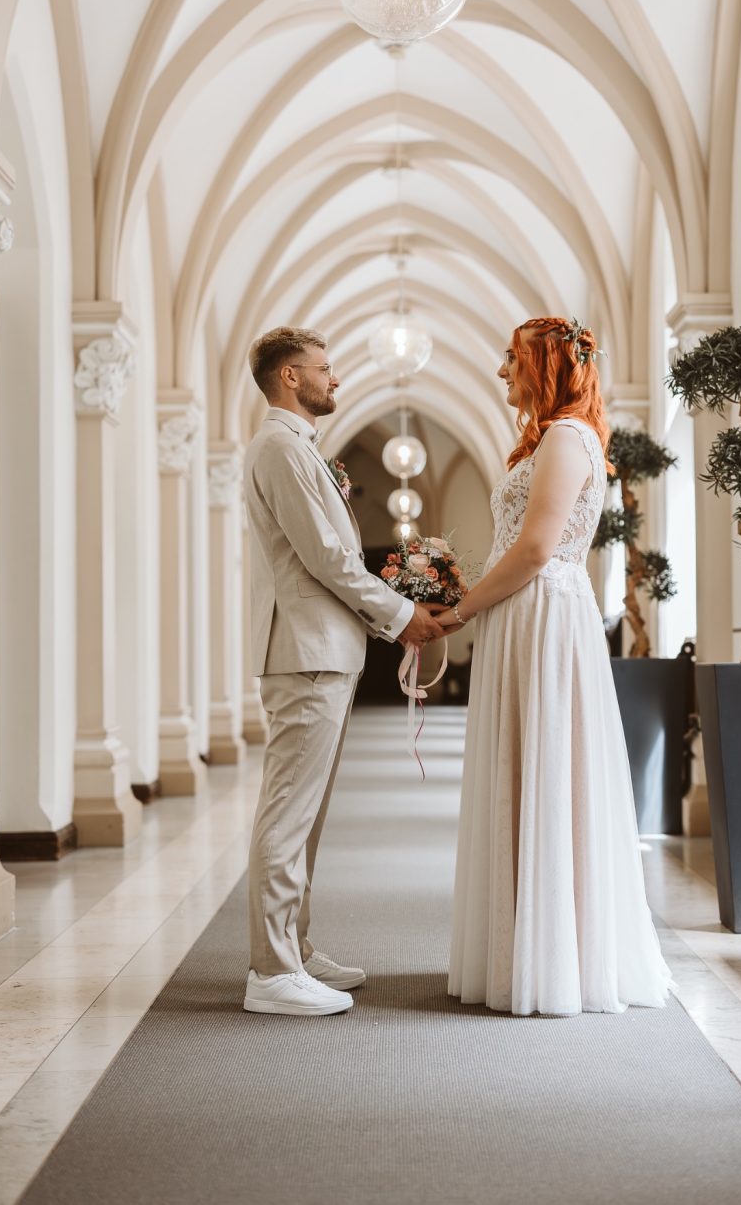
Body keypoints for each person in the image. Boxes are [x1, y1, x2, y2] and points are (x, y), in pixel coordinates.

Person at [436, 316, 674, 1015]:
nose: (502, 373)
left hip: (541, 612)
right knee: (521, 769)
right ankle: (520, 947)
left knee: (548, 769)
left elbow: (538, 547)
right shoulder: (548, 440)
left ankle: (556, 958)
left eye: (512, 360)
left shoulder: (569, 438)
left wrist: (458, 611)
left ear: (543, 365)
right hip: (523, 611)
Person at [242, 326, 445, 1017]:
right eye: (323, 369)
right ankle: (270, 970)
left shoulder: (299, 447)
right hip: (303, 651)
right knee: (287, 813)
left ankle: (293, 948)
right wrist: (398, 616)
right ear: (289, 377)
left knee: (309, 814)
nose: (336, 379)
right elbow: (326, 557)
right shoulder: (278, 446)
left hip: (323, 650)